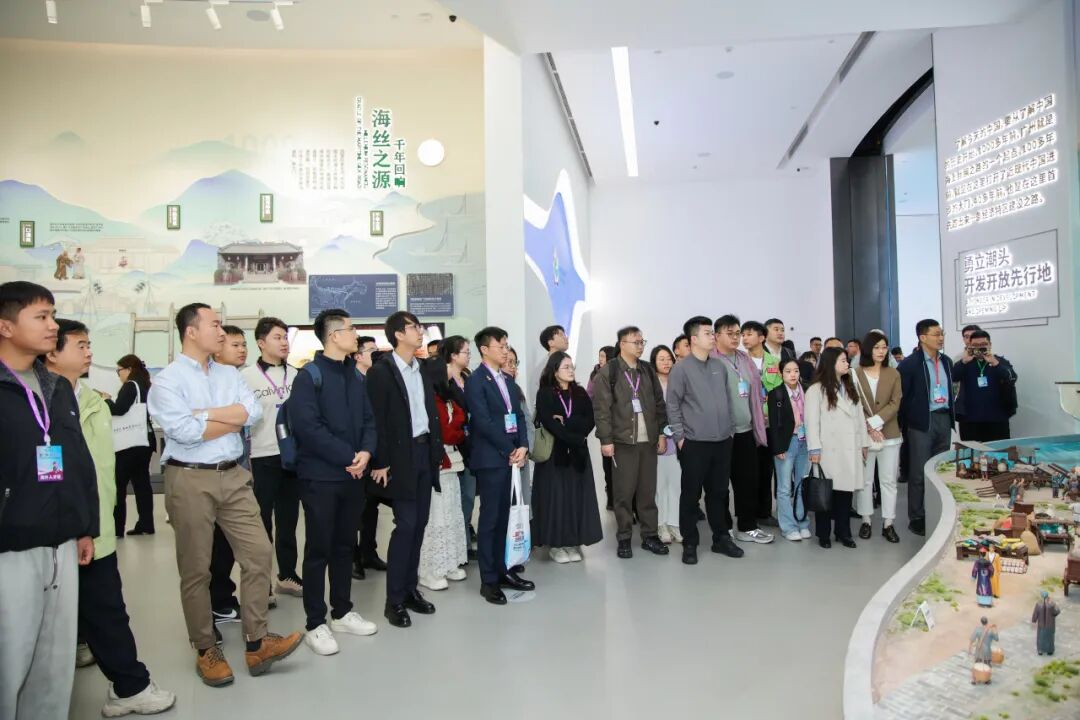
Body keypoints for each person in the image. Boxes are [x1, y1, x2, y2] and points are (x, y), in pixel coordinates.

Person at [146, 302, 301, 687]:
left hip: (234, 475)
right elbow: (183, 432)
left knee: (259, 552)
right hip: (189, 478)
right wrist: (226, 416)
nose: (222, 331)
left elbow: (251, 414)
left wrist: (204, 414)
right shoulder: (167, 381)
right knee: (196, 568)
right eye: (214, 325)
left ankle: (257, 641)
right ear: (191, 332)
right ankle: (205, 648)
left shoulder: (229, 373)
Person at [46, 319, 176, 716]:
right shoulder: (40, 402)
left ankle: (124, 682)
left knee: (104, 606)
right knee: (95, 609)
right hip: (62, 527)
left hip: (94, 524)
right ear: (52, 351)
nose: (89, 352)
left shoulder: (86, 397)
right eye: (80, 345)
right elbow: (49, 471)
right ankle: (128, 685)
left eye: (90, 344)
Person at [0, 282, 98, 719]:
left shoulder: (56, 387)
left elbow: (76, 460)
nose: (53, 325)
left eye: (53, 315)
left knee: (54, 663)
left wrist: (84, 526)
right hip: (11, 547)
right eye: (41, 316)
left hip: (61, 540)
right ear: (5, 326)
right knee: (10, 659)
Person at [288, 309, 378, 655]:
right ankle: (315, 622)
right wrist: (349, 456)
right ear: (334, 335)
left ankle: (342, 611)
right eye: (351, 329)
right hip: (320, 477)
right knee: (318, 549)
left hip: (353, 475)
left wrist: (366, 452)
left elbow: (369, 420)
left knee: (344, 546)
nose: (356, 334)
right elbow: (308, 428)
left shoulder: (355, 375)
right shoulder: (309, 376)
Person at [366, 311, 444, 628]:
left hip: (425, 452)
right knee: (406, 525)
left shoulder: (420, 367)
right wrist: (380, 461)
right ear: (398, 334)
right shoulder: (381, 371)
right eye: (414, 327)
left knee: (419, 524)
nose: (420, 331)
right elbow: (376, 418)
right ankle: (394, 600)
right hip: (400, 457)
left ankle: (410, 590)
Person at [464, 326, 533, 605]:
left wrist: (523, 445)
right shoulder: (476, 381)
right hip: (492, 459)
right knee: (491, 520)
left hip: (511, 457)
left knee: (506, 518)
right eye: (501, 346)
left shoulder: (507, 380)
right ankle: (488, 580)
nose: (506, 351)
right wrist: (510, 449)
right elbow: (482, 422)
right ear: (484, 349)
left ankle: (504, 570)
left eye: (506, 345)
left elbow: (519, 416)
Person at [666, 316, 742, 565]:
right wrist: (680, 438)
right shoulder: (681, 369)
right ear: (694, 339)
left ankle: (721, 538)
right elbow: (673, 406)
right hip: (694, 443)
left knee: (719, 493)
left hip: (722, 441)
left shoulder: (719, 366)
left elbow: (728, 400)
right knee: (691, 495)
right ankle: (690, 542)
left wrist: (730, 430)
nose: (713, 337)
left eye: (712, 333)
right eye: (708, 333)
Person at [593, 326, 670, 559]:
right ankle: (624, 537)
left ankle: (650, 536)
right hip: (623, 442)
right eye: (635, 342)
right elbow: (602, 410)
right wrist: (606, 440)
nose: (640, 346)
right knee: (624, 494)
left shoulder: (647, 370)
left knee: (647, 492)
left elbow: (659, 404)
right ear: (622, 344)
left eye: (642, 342)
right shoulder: (609, 372)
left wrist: (662, 433)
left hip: (648, 441)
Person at [240, 317, 303, 599]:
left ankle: (287, 575)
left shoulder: (298, 375)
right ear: (261, 343)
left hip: (292, 458)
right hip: (261, 457)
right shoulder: (246, 377)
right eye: (277, 337)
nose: (284, 342)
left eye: (285, 337)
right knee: (261, 523)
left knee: (288, 521)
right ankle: (261, 583)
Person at [532, 351, 603, 562]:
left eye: (572, 367)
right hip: (555, 455)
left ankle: (572, 543)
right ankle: (556, 545)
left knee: (576, 498)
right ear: (554, 371)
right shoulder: (545, 394)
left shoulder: (579, 393)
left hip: (577, 453)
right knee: (556, 499)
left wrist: (568, 424)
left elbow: (590, 420)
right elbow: (550, 423)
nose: (571, 370)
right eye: (566, 367)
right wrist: (573, 434)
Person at [712, 315, 773, 545]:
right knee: (720, 485)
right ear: (717, 335)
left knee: (747, 481)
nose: (736, 337)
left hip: (746, 430)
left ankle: (747, 527)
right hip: (721, 434)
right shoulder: (710, 360)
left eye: (738, 333)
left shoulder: (744, 359)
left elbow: (755, 393)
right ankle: (724, 528)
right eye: (730, 333)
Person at [418, 337, 470, 590]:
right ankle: (430, 569)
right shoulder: (430, 401)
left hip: (453, 461)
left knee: (452, 512)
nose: (451, 370)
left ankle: (449, 562)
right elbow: (448, 432)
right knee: (435, 516)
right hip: (437, 462)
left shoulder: (448, 396)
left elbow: (460, 423)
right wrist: (458, 431)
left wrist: (458, 431)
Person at [805, 346, 869, 549]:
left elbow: (860, 418)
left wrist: (864, 443)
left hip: (850, 448)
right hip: (828, 450)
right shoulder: (816, 390)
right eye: (842, 360)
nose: (847, 364)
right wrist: (814, 449)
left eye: (846, 360)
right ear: (831, 363)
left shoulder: (850, 386)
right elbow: (811, 422)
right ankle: (823, 534)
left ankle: (843, 532)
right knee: (825, 493)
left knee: (845, 494)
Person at [897, 318, 954, 537]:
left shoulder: (946, 361)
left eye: (942, 334)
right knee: (919, 473)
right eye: (936, 334)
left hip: (944, 418)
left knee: (939, 469)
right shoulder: (910, 364)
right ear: (923, 337)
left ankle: (937, 511)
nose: (941, 338)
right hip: (921, 423)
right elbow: (902, 398)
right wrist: (906, 424)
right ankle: (917, 517)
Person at [852, 331, 903, 543]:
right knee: (865, 481)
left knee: (888, 480)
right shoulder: (855, 373)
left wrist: (875, 422)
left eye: (884, 347)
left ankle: (888, 523)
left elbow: (895, 402)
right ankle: (866, 520)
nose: (881, 351)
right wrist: (869, 426)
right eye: (876, 347)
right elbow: (854, 404)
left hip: (889, 434)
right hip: (864, 435)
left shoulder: (893, 373)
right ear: (868, 349)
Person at [351, 336, 388, 579]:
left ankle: (369, 552)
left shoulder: (376, 380)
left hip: (374, 453)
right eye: (371, 351)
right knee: (354, 509)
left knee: (371, 508)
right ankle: (353, 557)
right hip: (356, 454)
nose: (375, 355)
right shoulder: (351, 380)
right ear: (358, 355)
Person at [108, 353, 156, 536]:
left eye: (118, 370)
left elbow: (119, 409)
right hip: (144, 441)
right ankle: (146, 524)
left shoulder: (130, 386)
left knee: (119, 486)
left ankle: (117, 528)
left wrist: (106, 400)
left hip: (128, 444)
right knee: (142, 484)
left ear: (128, 369)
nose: (118, 375)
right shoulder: (145, 386)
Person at [767, 358, 813, 541]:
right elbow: (773, 424)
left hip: (805, 442)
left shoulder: (807, 390)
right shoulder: (776, 394)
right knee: (785, 487)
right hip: (787, 443)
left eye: (796, 371)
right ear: (781, 374)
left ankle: (802, 522)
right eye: (788, 371)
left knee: (802, 484)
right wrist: (778, 447)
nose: (793, 375)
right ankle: (788, 527)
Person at [743, 320, 782, 527]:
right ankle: (748, 514)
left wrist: (771, 414)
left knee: (767, 470)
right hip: (748, 423)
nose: (744, 338)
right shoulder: (740, 362)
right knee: (750, 471)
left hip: (768, 424)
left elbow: (778, 392)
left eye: (749, 334)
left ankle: (764, 512)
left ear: (762, 337)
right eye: (743, 334)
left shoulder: (774, 362)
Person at [954, 330, 1017, 442]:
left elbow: (1012, 377)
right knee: (971, 451)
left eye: (983, 344)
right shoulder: (965, 363)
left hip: (997, 419)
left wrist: (995, 363)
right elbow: (953, 377)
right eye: (975, 345)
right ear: (969, 346)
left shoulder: (1000, 361)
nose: (980, 348)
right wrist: (964, 361)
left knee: (999, 451)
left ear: (990, 345)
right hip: (969, 420)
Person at [650, 345, 682, 543]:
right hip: (660, 441)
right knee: (660, 485)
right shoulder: (650, 384)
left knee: (676, 484)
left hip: (678, 440)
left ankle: (674, 524)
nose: (666, 362)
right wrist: (660, 434)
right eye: (661, 359)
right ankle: (661, 524)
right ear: (654, 362)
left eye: (669, 358)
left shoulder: (678, 381)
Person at [587, 344, 618, 510]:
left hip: (621, 425)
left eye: (603, 356)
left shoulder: (619, 373)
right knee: (608, 463)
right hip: (605, 424)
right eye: (599, 356)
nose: (600, 359)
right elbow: (589, 396)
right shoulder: (595, 374)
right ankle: (611, 497)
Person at [532, 324, 569, 404]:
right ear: (551, 343)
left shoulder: (567, 362)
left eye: (565, 335)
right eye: (561, 335)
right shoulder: (543, 367)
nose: (566, 338)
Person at [1031, 590, 1060, 655]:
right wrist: (1055, 605)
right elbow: (1057, 611)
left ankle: (1040, 651)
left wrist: (1033, 621)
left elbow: (1035, 614)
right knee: (1049, 638)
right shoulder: (1052, 604)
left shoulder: (1038, 604)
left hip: (1041, 625)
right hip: (1050, 625)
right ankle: (1049, 651)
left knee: (1041, 638)